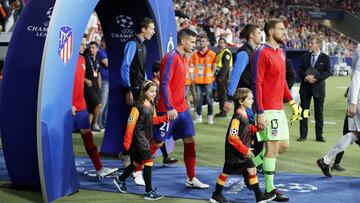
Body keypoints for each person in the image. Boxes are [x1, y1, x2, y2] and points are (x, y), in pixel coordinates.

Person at [251, 19, 303, 201]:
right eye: (281, 29)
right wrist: (260, 110)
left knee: (284, 146)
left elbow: (281, 83)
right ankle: (270, 189)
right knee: (272, 148)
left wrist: (291, 102)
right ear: (271, 32)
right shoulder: (261, 53)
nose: (284, 32)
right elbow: (256, 82)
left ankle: (249, 165)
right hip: (267, 109)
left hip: (279, 108)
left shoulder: (280, 52)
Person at [153, 28, 209, 189]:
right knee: (156, 143)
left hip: (182, 109)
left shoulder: (184, 58)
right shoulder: (171, 57)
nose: (194, 45)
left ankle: (191, 178)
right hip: (169, 109)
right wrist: (169, 106)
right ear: (183, 41)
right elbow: (164, 83)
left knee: (190, 141)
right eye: (192, 42)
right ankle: (135, 170)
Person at [210, 88, 276, 203]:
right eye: (250, 99)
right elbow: (233, 137)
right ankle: (216, 195)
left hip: (242, 153)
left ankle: (259, 196)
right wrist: (245, 150)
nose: (252, 101)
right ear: (241, 101)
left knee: (252, 170)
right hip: (234, 153)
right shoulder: (237, 117)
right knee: (225, 173)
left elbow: (247, 129)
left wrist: (258, 128)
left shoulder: (245, 114)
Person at [113, 80, 166, 200]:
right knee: (148, 160)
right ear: (144, 91)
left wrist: (165, 118)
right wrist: (126, 143)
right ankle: (149, 191)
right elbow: (130, 126)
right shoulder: (137, 107)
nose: (154, 94)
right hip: (138, 139)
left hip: (146, 138)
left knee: (137, 162)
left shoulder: (151, 105)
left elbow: (153, 120)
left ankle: (120, 179)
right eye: (151, 91)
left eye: (155, 92)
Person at [73, 40, 117, 179]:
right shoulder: (65, 61)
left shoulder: (82, 59)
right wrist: (67, 103)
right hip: (68, 108)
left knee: (88, 138)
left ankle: (99, 168)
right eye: (81, 43)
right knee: (61, 141)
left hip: (81, 107)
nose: (84, 46)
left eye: (85, 43)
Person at [119, 17, 155, 183]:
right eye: (151, 29)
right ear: (143, 29)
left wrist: (148, 88)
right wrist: (128, 90)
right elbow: (125, 66)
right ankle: (133, 165)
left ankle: (129, 158)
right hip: (132, 90)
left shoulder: (143, 45)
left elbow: (142, 71)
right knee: (135, 128)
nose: (153, 32)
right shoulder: (132, 43)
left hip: (140, 91)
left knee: (141, 127)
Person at [317, 43, 360, 177]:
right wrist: (353, 101)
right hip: (358, 98)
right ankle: (326, 160)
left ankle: (326, 160)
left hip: (356, 97)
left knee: (356, 134)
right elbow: (357, 76)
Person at [297, 34, 331, 142]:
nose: (309, 45)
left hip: (318, 89)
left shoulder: (325, 58)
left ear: (318, 44)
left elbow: (327, 72)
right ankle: (303, 135)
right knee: (304, 111)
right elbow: (300, 70)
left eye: (312, 43)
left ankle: (319, 135)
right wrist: (306, 77)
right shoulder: (305, 56)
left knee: (318, 113)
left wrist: (315, 78)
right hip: (305, 88)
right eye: (309, 42)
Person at [223, 24, 262, 113]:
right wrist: (229, 98)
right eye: (259, 33)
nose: (261, 35)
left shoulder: (253, 51)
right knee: (242, 125)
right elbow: (235, 76)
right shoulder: (244, 53)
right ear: (251, 36)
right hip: (244, 98)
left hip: (249, 97)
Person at [151, 61, 178, 165]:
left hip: (161, 114)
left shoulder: (162, 83)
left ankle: (165, 157)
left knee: (159, 138)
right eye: (160, 71)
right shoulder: (153, 85)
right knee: (157, 140)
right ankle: (140, 160)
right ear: (155, 73)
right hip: (156, 115)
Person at [192, 34, 217, 124]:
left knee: (209, 98)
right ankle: (198, 115)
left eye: (203, 41)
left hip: (208, 80)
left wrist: (211, 75)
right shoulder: (195, 55)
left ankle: (210, 115)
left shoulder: (212, 54)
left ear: (207, 42)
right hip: (197, 80)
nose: (201, 43)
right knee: (198, 98)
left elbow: (214, 67)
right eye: (200, 41)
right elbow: (192, 67)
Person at [84, 41, 102, 132]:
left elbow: (98, 74)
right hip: (88, 86)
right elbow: (78, 73)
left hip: (96, 87)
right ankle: (95, 123)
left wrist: (100, 87)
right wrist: (86, 80)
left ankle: (87, 126)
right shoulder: (85, 58)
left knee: (92, 108)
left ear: (97, 49)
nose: (91, 50)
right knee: (98, 104)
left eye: (93, 48)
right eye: (90, 48)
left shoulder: (97, 60)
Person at [214, 37, 232, 118]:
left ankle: (224, 112)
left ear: (225, 44)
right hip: (219, 76)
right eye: (219, 42)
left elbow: (226, 67)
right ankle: (221, 110)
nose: (220, 44)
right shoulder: (219, 52)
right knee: (220, 95)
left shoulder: (226, 52)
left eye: (222, 43)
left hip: (223, 78)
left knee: (223, 95)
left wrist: (222, 78)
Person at [97, 37, 109, 130]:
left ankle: (104, 122)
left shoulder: (105, 51)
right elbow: (107, 64)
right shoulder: (100, 51)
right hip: (104, 80)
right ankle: (98, 122)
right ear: (102, 42)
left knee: (107, 104)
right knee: (102, 103)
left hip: (108, 79)